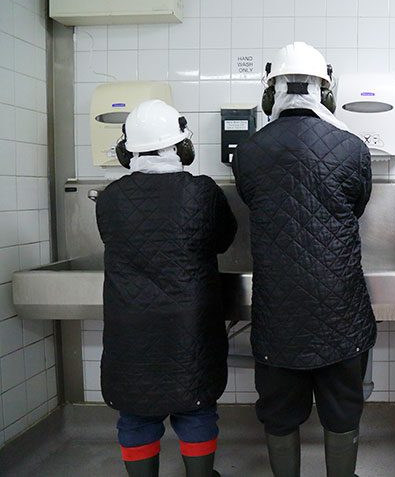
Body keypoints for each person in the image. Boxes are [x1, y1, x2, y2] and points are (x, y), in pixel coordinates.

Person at [232, 42, 374, 477]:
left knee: (279, 413)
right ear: (326, 93)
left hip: (279, 315)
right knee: (343, 412)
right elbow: (358, 205)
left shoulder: (249, 152)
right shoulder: (353, 148)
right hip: (342, 313)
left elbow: (252, 201)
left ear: (270, 93)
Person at [96, 99, 237, 477]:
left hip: (130, 328)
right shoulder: (203, 192)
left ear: (128, 151)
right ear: (182, 147)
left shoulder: (108, 199)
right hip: (189, 326)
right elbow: (225, 238)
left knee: (136, 412)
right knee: (196, 407)